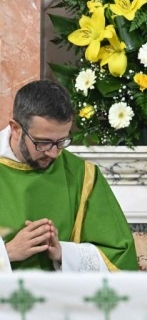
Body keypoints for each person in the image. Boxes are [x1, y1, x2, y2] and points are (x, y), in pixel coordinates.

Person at [0, 80, 138, 271]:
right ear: (16, 129)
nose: (53, 153)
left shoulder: (82, 175)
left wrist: (64, 253)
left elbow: (119, 256)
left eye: (61, 142)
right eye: (43, 142)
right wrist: (7, 253)